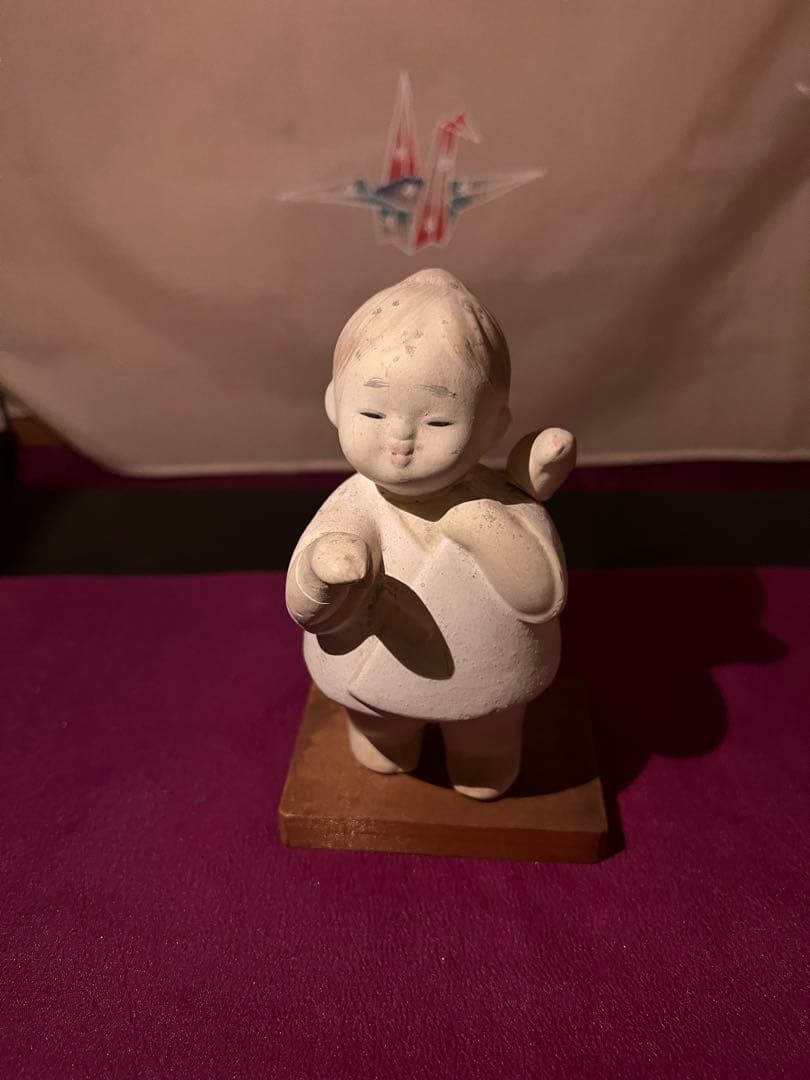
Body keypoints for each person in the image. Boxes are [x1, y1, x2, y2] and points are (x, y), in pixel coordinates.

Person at [285, 268, 573, 799]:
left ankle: (483, 750)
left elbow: (541, 597)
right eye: (372, 412)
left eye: (438, 422)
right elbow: (305, 607)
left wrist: (483, 526)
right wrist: (324, 569)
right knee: (379, 727)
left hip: (488, 674)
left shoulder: (500, 501)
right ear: (333, 405)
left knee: (487, 732)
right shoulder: (353, 504)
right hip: (370, 677)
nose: (401, 441)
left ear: (493, 427)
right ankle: (386, 736)